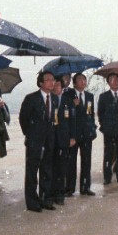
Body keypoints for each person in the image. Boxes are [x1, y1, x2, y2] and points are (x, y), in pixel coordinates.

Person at [18, 71, 57, 212]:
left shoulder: (54, 99)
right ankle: (32, 202)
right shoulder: (31, 98)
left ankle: (46, 199)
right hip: (35, 141)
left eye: (53, 80)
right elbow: (23, 119)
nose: (51, 82)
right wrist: (31, 134)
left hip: (49, 141)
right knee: (32, 172)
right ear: (41, 83)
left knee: (47, 171)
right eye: (48, 80)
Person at [64, 73, 96, 196]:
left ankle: (85, 187)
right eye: (80, 80)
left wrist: (93, 128)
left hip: (87, 133)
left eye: (84, 79)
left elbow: (90, 114)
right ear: (74, 82)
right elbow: (66, 114)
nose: (83, 81)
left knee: (86, 161)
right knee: (71, 162)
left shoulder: (89, 96)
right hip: (73, 134)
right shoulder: (68, 95)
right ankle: (70, 188)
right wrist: (74, 105)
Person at [97, 72, 118, 185]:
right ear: (108, 82)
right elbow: (100, 113)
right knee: (108, 154)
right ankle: (107, 177)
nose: (114, 81)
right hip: (108, 131)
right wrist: (104, 126)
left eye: (116, 79)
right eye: (112, 80)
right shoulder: (103, 96)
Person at [51, 77, 76, 205]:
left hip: (64, 138)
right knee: (49, 167)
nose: (56, 88)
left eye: (58, 85)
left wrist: (72, 137)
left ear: (62, 87)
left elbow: (73, 121)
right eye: (54, 85)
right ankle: (49, 194)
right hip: (50, 139)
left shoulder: (67, 101)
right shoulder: (48, 100)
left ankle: (60, 194)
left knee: (62, 167)